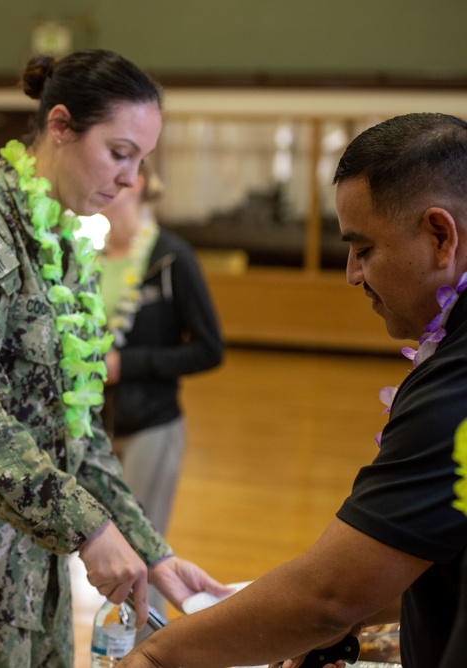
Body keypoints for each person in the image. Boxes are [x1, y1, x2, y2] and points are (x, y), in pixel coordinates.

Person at [0, 49, 230, 667]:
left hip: (32, 576)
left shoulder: (66, 247)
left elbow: (76, 434)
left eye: (142, 160)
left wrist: (149, 549)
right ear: (59, 126)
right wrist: (90, 528)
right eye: (119, 152)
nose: (132, 179)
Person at [120, 112, 467, 668]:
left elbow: (326, 597)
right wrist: (349, 620)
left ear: (440, 235)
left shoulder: (455, 389)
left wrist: (157, 657)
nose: (353, 274)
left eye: (364, 248)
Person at [98, 160, 223, 619]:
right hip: (94, 426)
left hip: (153, 423)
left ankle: (150, 650)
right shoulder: (87, 255)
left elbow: (210, 349)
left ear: (144, 183)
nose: (110, 183)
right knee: (107, 549)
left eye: (124, 169)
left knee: (142, 552)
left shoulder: (171, 257)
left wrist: (127, 365)